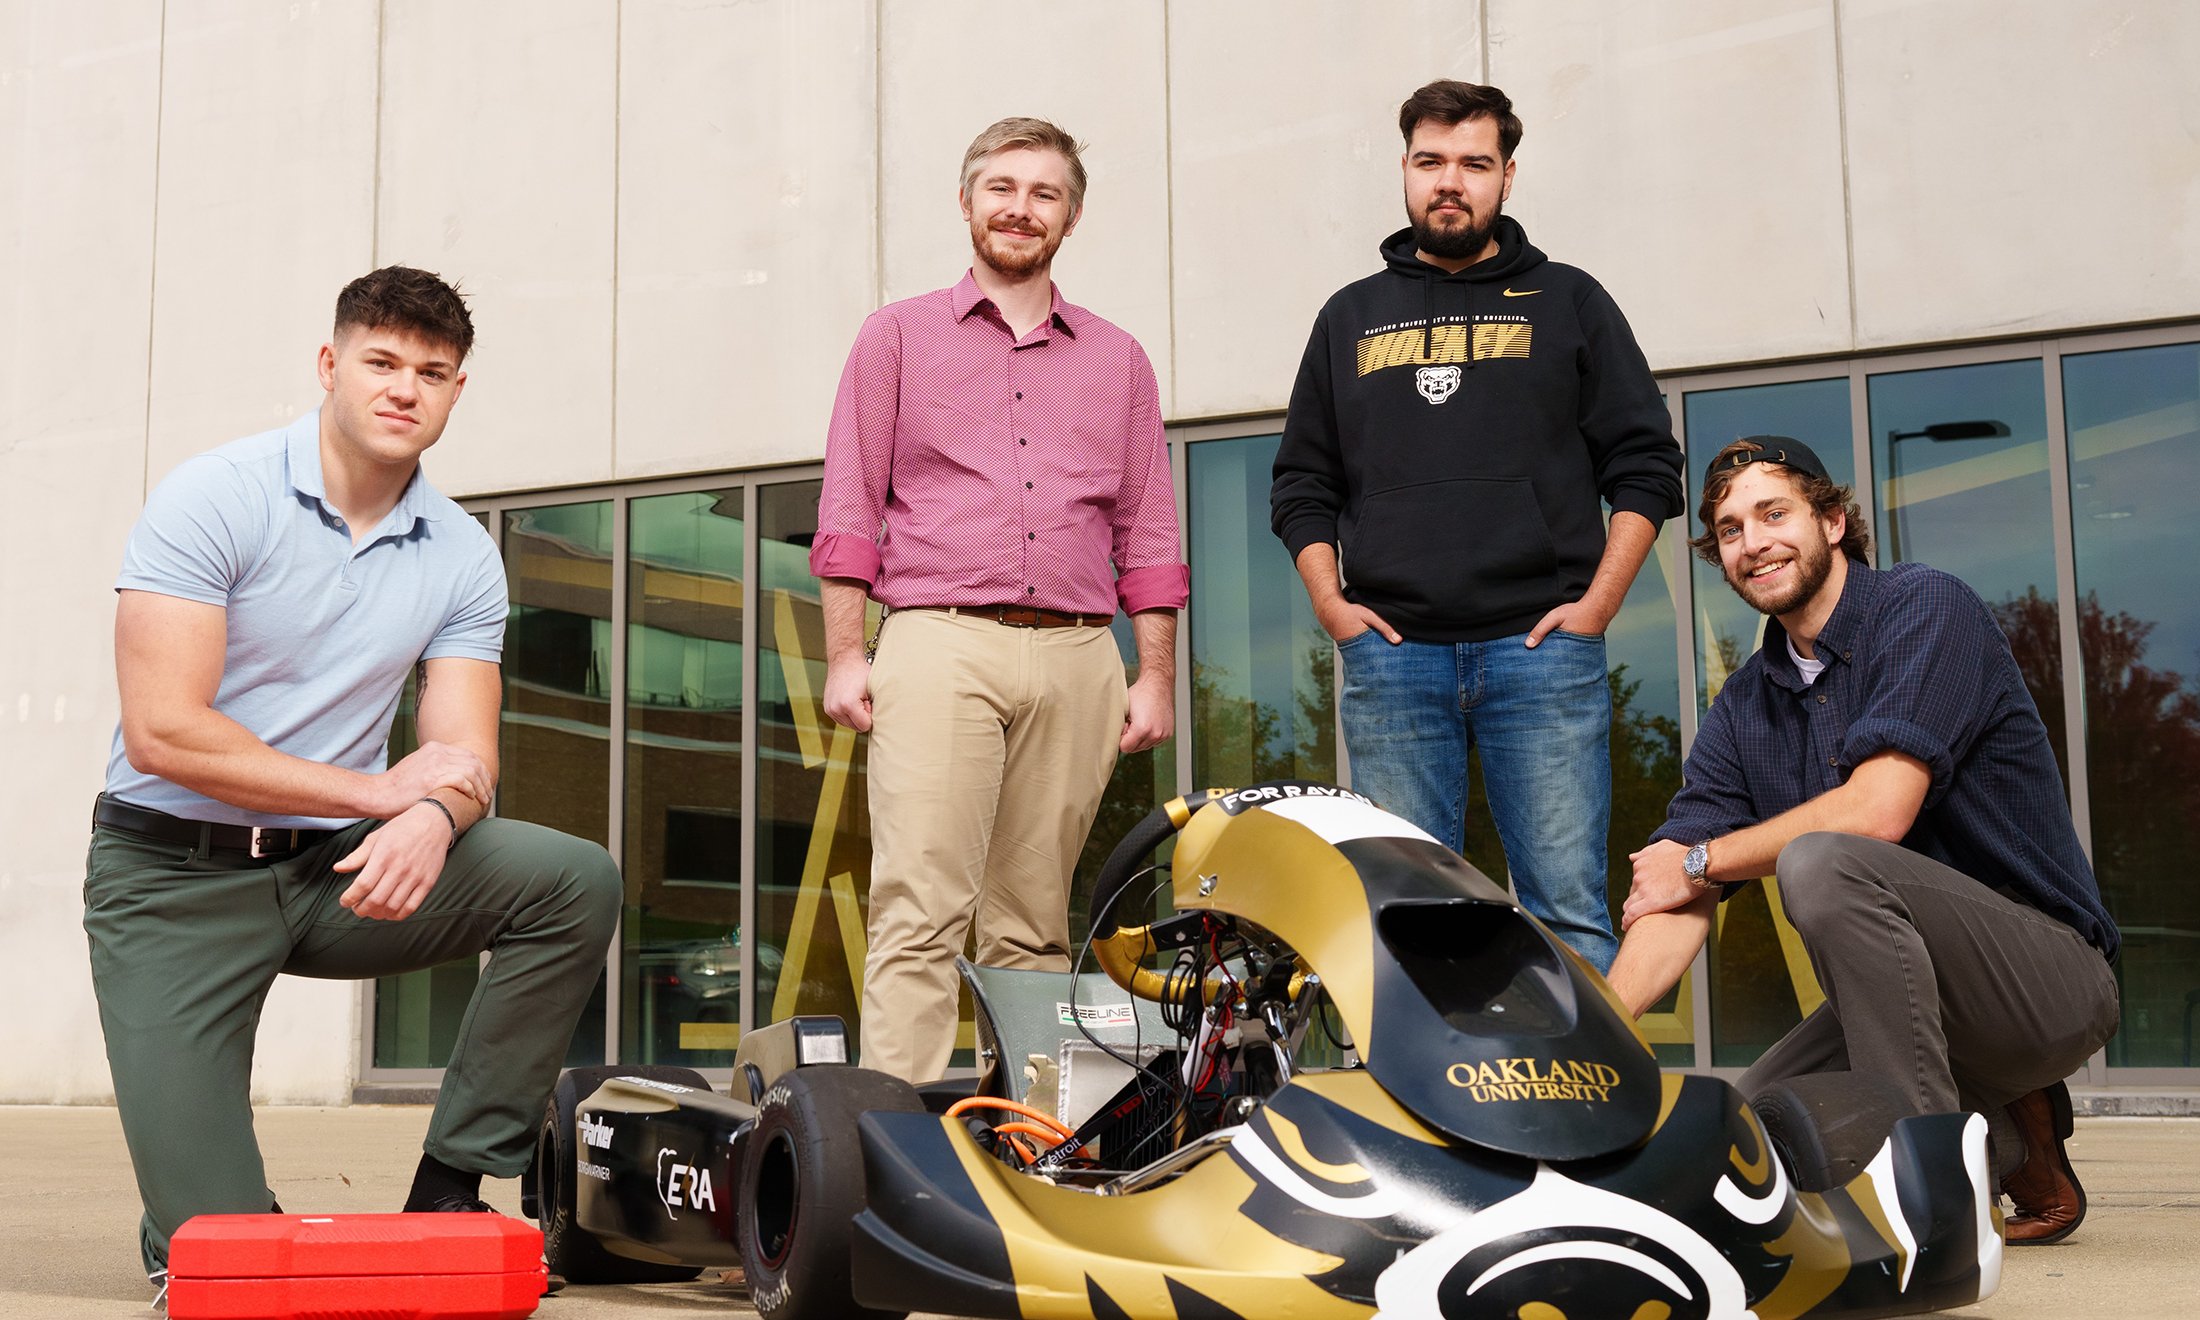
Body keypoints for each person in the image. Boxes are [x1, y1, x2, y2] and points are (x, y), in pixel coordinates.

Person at [88, 267, 621, 1295]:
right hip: (174, 880)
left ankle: (453, 1189)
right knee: (223, 1261)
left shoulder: (463, 552)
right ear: (331, 367)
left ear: (456, 391)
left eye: (433, 372)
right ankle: (204, 1208)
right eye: (381, 362)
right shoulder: (217, 495)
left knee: (570, 879)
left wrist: (432, 808)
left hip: (337, 871)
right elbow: (162, 733)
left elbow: (464, 757)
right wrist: (388, 794)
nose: (404, 388)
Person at [1609, 436, 2120, 1245]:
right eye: (1732, 530)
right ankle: (2010, 1141)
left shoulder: (1924, 608)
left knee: (1822, 858)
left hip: (2045, 983)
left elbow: (1878, 811)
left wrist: (1704, 860)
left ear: (1834, 520)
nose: (1754, 543)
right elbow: (1673, 888)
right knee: (1746, 1143)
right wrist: (1601, 1023)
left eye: (1774, 513)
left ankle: (1932, 1202)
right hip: (1900, 1009)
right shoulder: (1746, 707)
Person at [1269, 79, 1683, 972]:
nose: (1449, 182)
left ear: (1507, 176)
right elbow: (1302, 480)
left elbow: (1646, 463)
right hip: (1394, 655)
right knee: (1407, 918)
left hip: (1542, 651)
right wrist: (1334, 605)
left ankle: (1585, 1110)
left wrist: (1599, 604)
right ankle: (1425, 1113)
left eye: (1473, 164)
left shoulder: (1569, 300)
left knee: (1566, 911)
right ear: (1405, 170)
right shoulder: (1350, 316)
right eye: (1431, 162)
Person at [811, 117, 1187, 1084]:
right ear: (969, 200)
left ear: (1070, 215)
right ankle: (895, 1157)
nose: (1021, 208)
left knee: (1031, 921)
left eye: (1044, 193)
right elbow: (851, 504)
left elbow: (1147, 532)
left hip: (1076, 657)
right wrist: (848, 653)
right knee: (920, 907)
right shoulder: (895, 337)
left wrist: (1154, 677)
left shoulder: (1120, 360)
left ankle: (1027, 1147)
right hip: (940, 639)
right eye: (1003, 188)